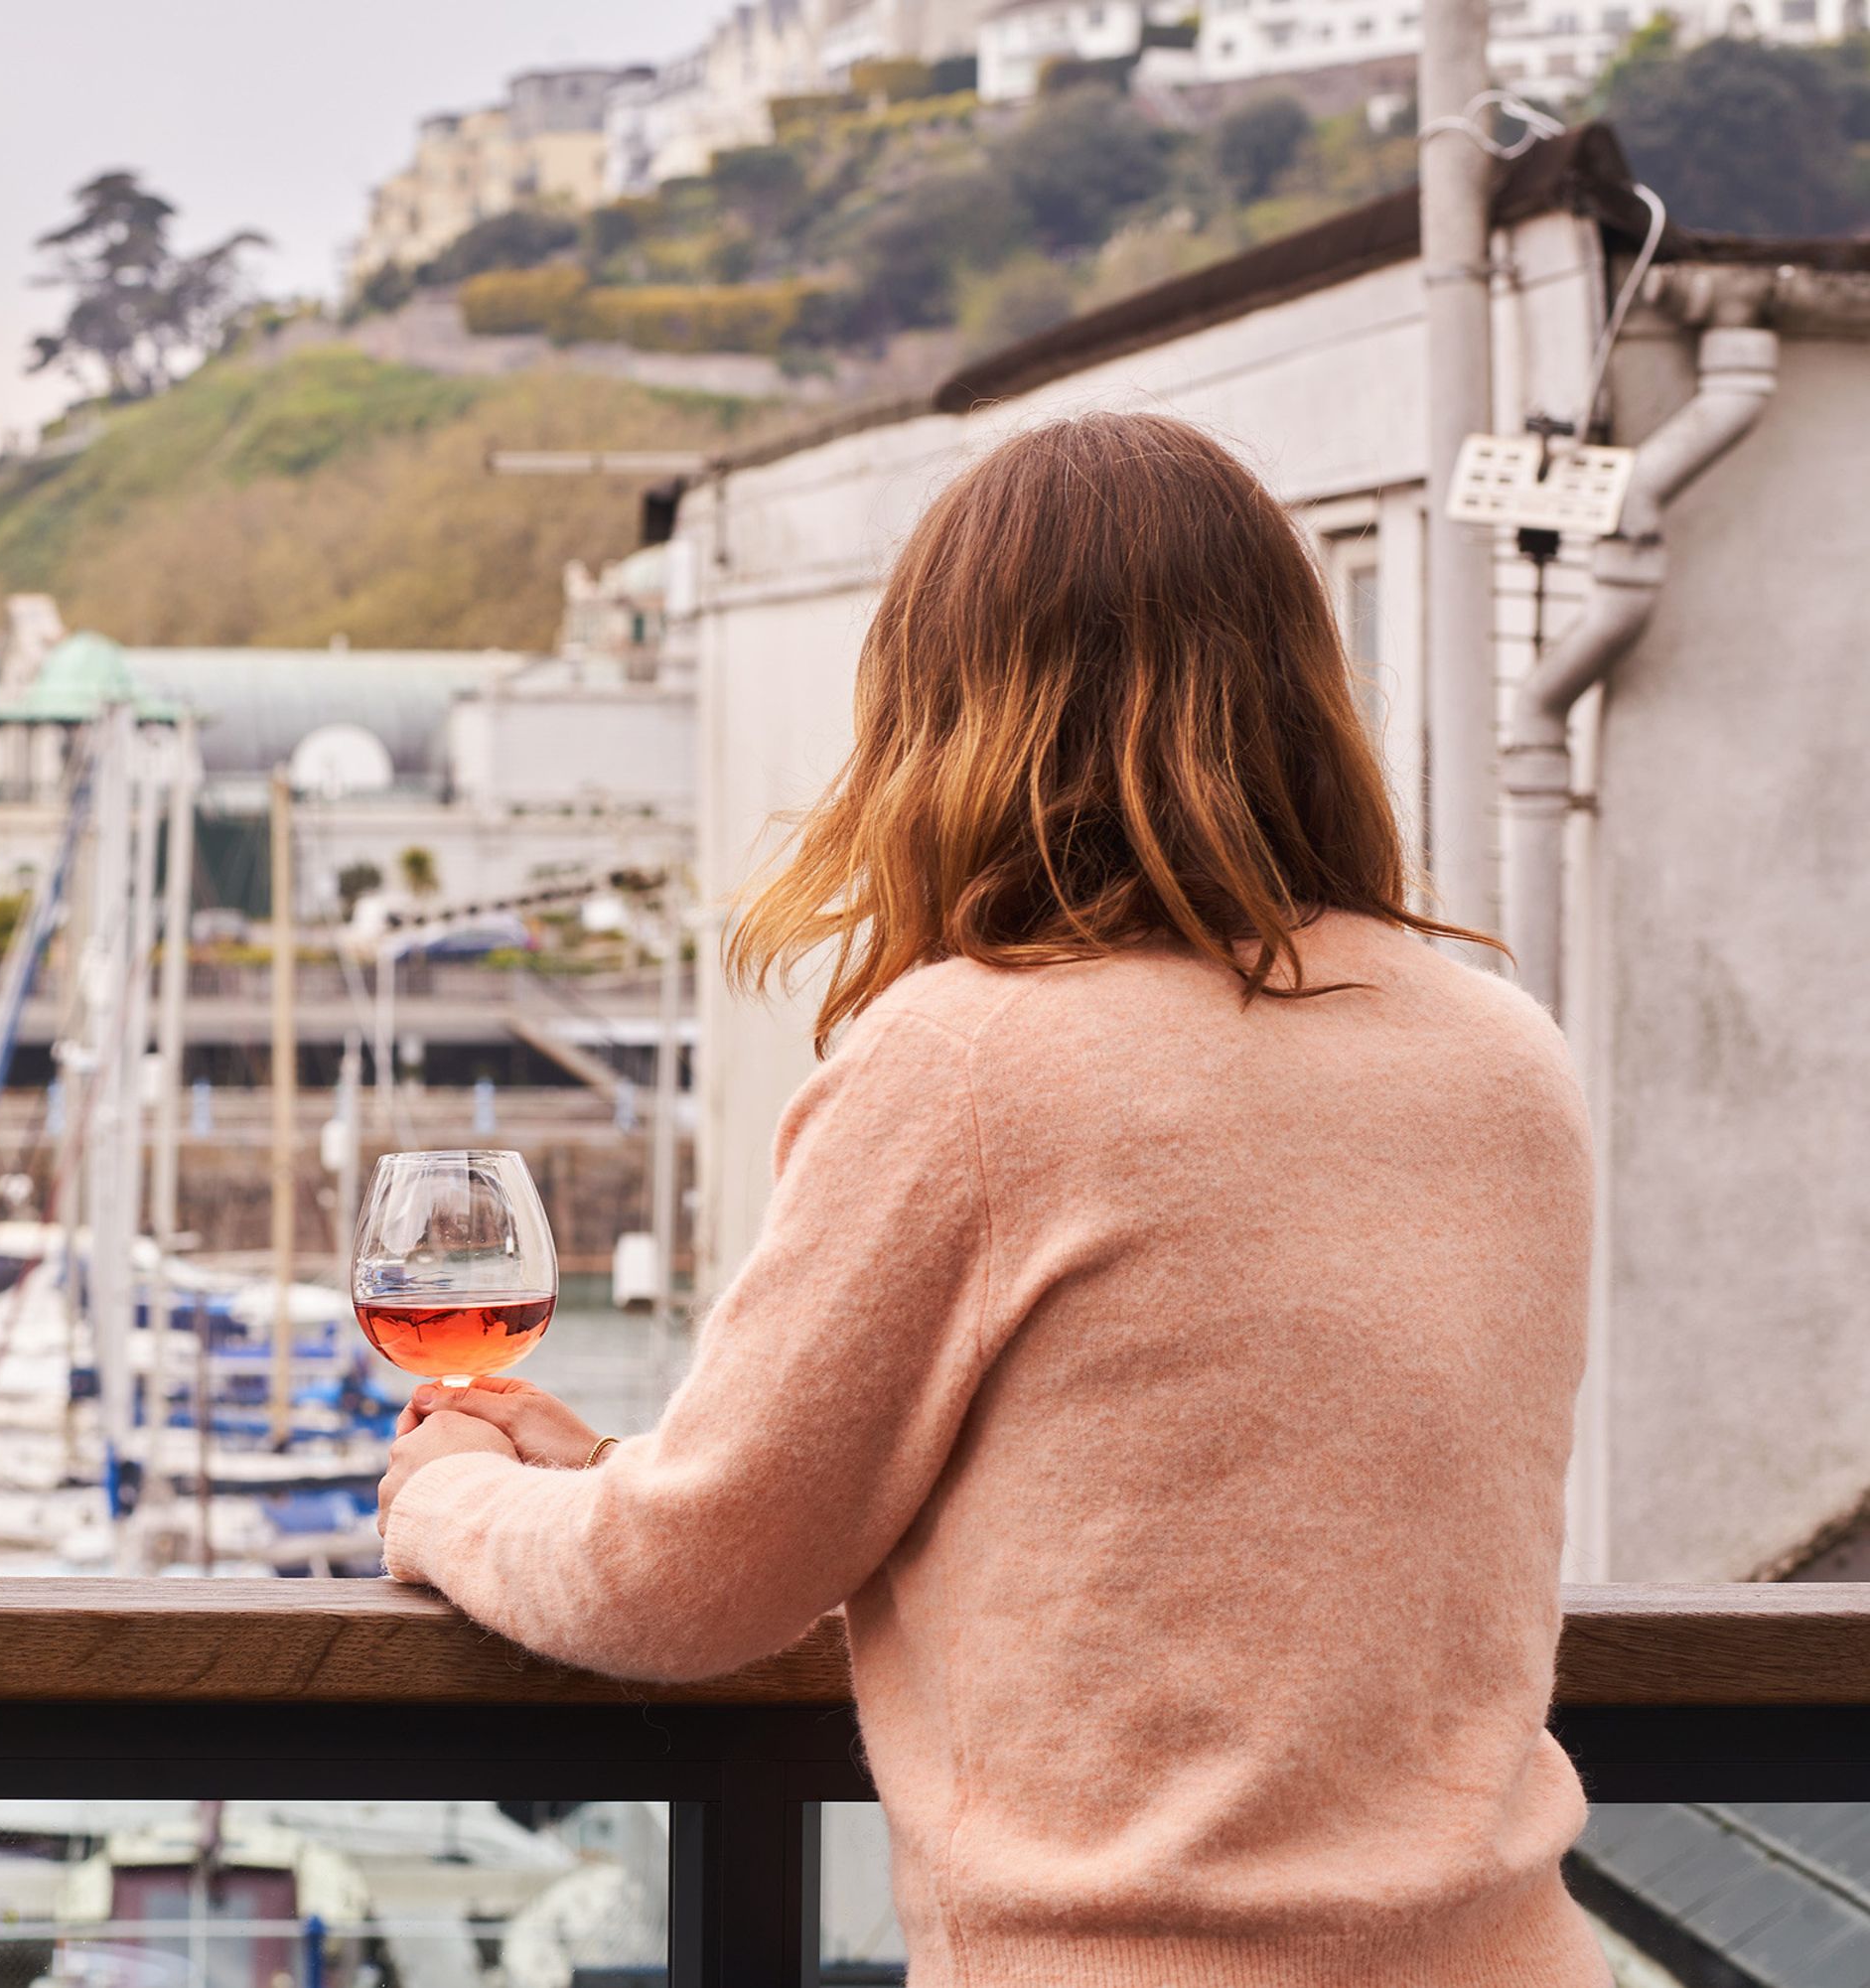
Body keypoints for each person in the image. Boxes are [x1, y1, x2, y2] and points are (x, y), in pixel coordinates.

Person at [376, 413, 1608, 1987]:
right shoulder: (1506, 1054)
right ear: (1303, 688)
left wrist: (452, 1500)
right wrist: (620, 1462)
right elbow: (1181, 1499)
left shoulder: (969, 1054)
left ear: (944, 714)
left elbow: (693, 1583)